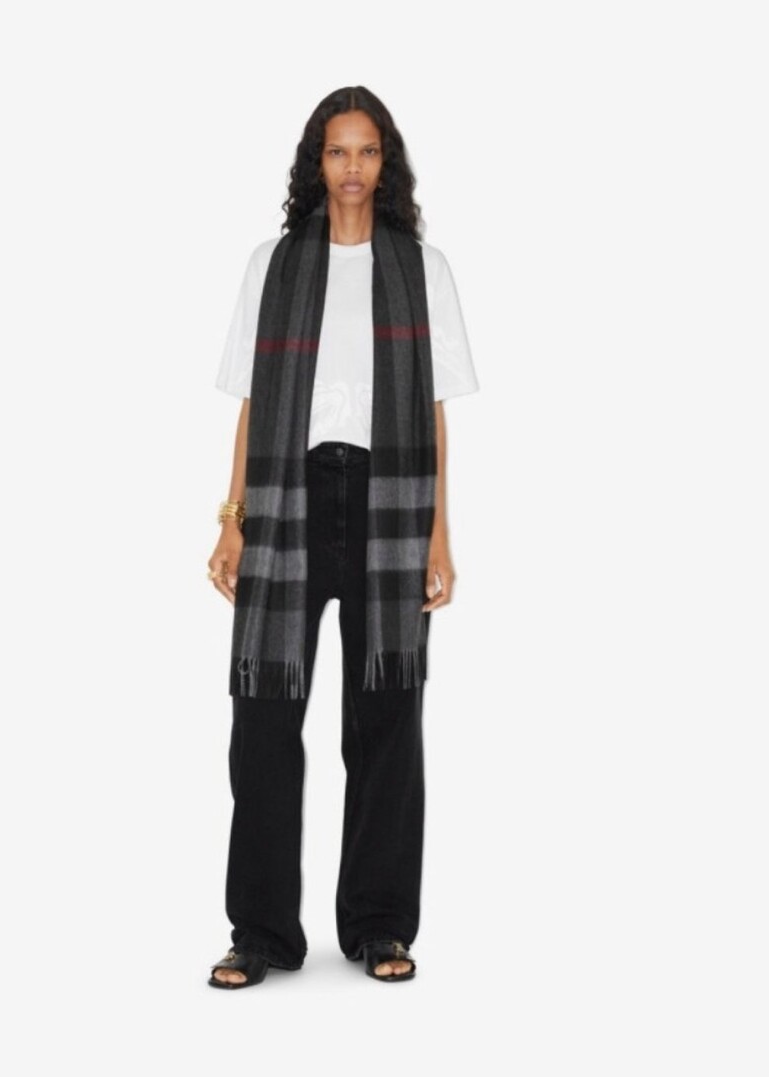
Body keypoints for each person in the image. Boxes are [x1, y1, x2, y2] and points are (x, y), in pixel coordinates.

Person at [205, 86, 479, 989]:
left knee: (387, 718)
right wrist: (232, 520)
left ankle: (379, 923)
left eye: (366, 151)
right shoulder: (274, 264)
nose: (352, 167)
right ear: (315, 164)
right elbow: (254, 404)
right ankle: (261, 931)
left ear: (385, 162)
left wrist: (440, 535)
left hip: (388, 502)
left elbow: (433, 412)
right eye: (336, 151)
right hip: (287, 498)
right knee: (263, 721)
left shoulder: (423, 268)